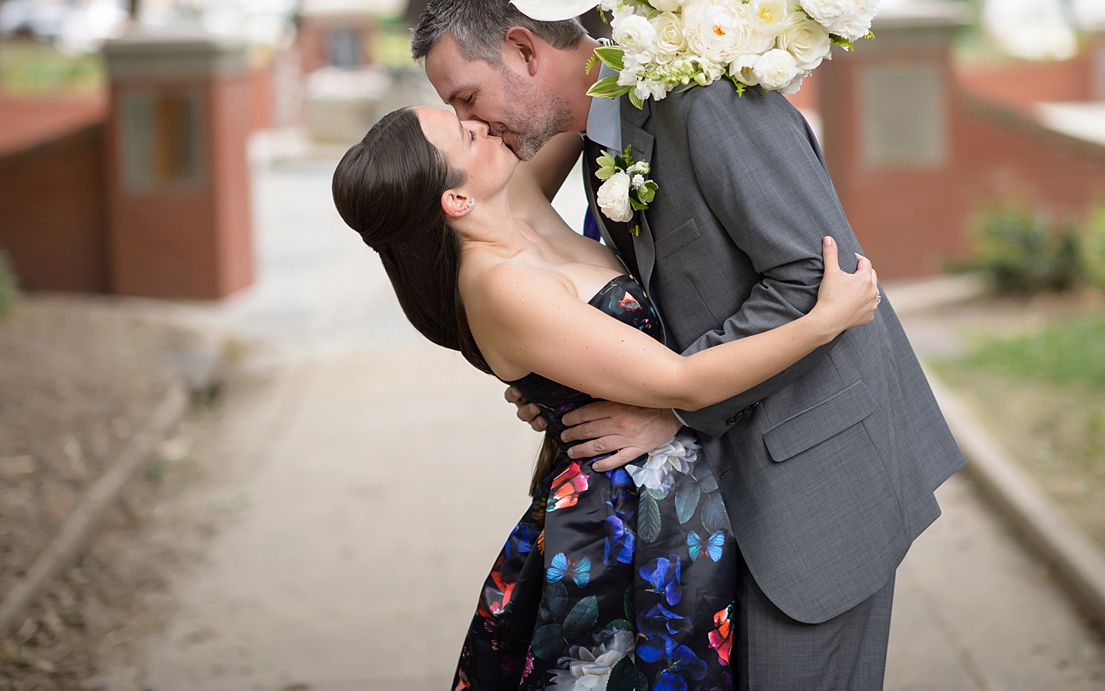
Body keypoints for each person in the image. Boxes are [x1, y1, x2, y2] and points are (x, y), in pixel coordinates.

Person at [411, 0, 966, 690]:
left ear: (522, 48)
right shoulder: (598, 132)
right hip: (724, 495)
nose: (470, 124)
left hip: (812, 488)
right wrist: (574, 374)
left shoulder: (703, 100)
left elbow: (815, 275)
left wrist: (670, 404)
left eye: (468, 97)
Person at [332, 105, 881, 690]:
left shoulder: (513, 199)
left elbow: (570, 100)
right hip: (621, 528)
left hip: (664, 491)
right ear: (456, 201)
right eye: (468, 134)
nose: (488, 123)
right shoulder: (502, 284)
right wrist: (824, 321)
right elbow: (682, 383)